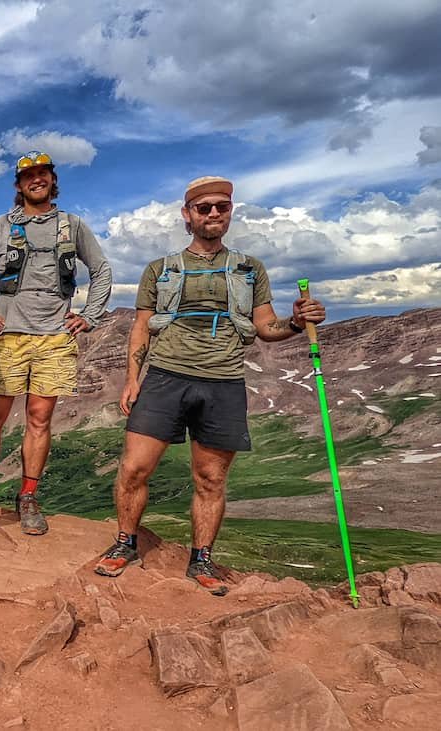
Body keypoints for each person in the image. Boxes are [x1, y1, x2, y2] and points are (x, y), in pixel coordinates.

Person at [92, 176, 326, 595]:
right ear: (187, 215)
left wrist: (294, 322)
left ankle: (201, 559)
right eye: (204, 208)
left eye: (222, 206)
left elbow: (265, 328)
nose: (214, 213)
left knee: (210, 479)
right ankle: (125, 542)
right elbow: (142, 329)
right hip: (165, 376)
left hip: (223, 381)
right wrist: (132, 381)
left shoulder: (250, 269)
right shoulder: (159, 270)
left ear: (231, 211)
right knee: (133, 468)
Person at [0, 151, 113, 535]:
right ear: (18, 185)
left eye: (42, 173)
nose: (36, 180)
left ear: (52, 179)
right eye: (28, 175)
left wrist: (90, 315)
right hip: (8, 336)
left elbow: (101, 269)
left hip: (54, 338)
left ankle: (27, 495)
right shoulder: (0, 226)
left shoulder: (72, 226)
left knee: (39, 419)